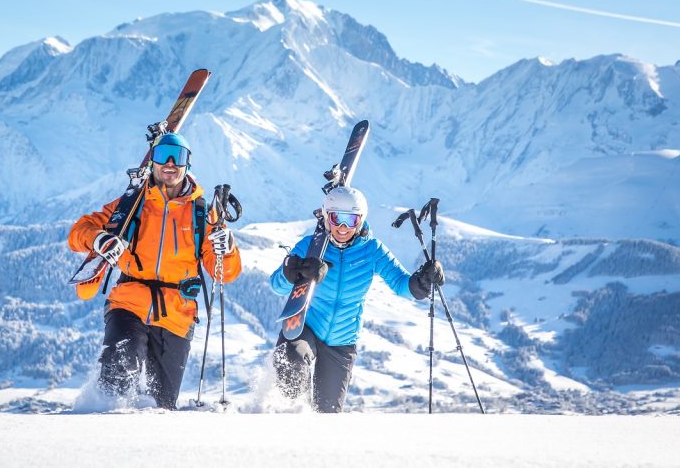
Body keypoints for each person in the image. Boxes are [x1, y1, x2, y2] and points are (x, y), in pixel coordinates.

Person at [67, 131, 241, 409]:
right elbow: (78, 232)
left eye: (178, 157)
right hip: (129, 302)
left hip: (178, 315)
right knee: (117, 375)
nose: (170, 163)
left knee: (161, 405)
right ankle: (98, 432)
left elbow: (225, 273)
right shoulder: (132, 204)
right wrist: (98, 239)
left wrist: (227, 248)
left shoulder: (202, 213)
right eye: (162, 156)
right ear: (152, 162)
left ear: (188, 164)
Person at [270, 186, 444, 412]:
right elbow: (276, 285)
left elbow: (401, 283)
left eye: (350, 220)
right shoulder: (310, 246)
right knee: (290, 363)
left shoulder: (372, 250)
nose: (343, 227)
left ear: (361, 220)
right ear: (326, 216)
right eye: (336, 218)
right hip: (306, 327)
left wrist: (421, 282)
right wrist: (292, 272)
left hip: (342, 341)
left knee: (328, 413)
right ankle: (288, 416)